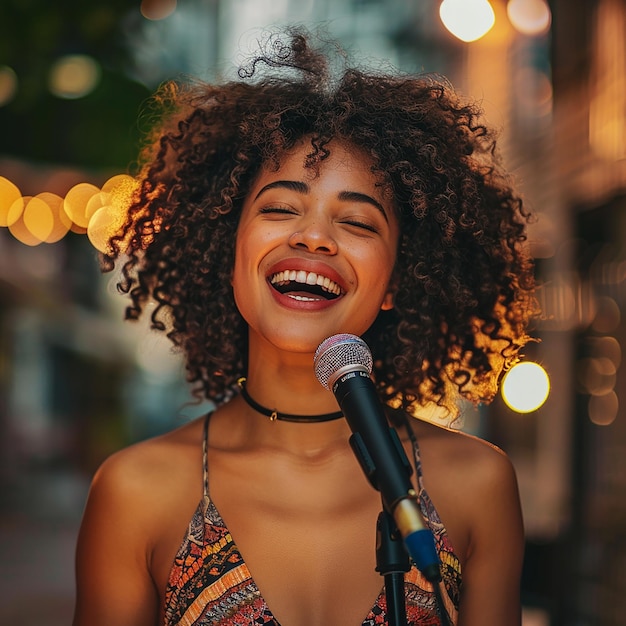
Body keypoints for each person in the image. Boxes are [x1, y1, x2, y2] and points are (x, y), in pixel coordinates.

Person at [73, 27, 537, 626]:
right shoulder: (136, 492)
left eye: (358, 222)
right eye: (280, 208)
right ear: (228, 249)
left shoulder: (477, 486)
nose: (314, 236)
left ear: (399, 279)